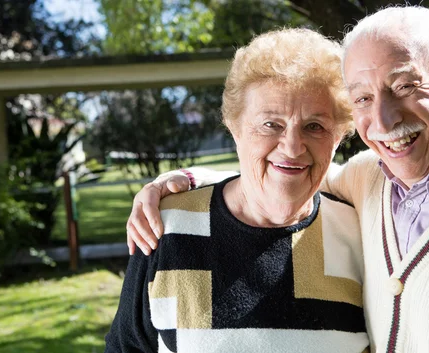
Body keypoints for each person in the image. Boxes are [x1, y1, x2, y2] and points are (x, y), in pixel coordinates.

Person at [125, 5, 429, 353]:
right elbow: (287, 175)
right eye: (364, 97)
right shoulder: (372, 181)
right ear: (234, 128)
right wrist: (182, 183)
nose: (384, 119)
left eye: (405, 86)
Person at [105, 28, 371, 353]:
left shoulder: (360, 234)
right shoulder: (166, 228)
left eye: (314, 126)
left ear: (340, 135)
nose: (292, 147)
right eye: (271, 124)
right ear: (234, 128)